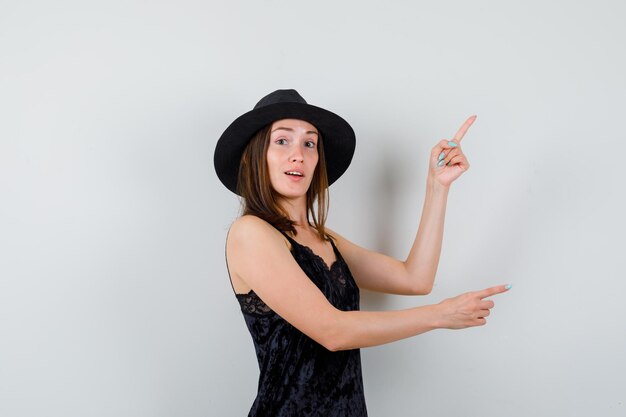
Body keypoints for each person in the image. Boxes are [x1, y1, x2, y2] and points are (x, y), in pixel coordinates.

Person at [214, 89, 510, 417]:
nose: (297, 154)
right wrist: (439, 315)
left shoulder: (327, 241)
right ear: (253, 156)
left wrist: (437, 186)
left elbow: (416, 278)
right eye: (282, 141)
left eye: (309, 143)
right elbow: (332, 331)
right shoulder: (250, 233)